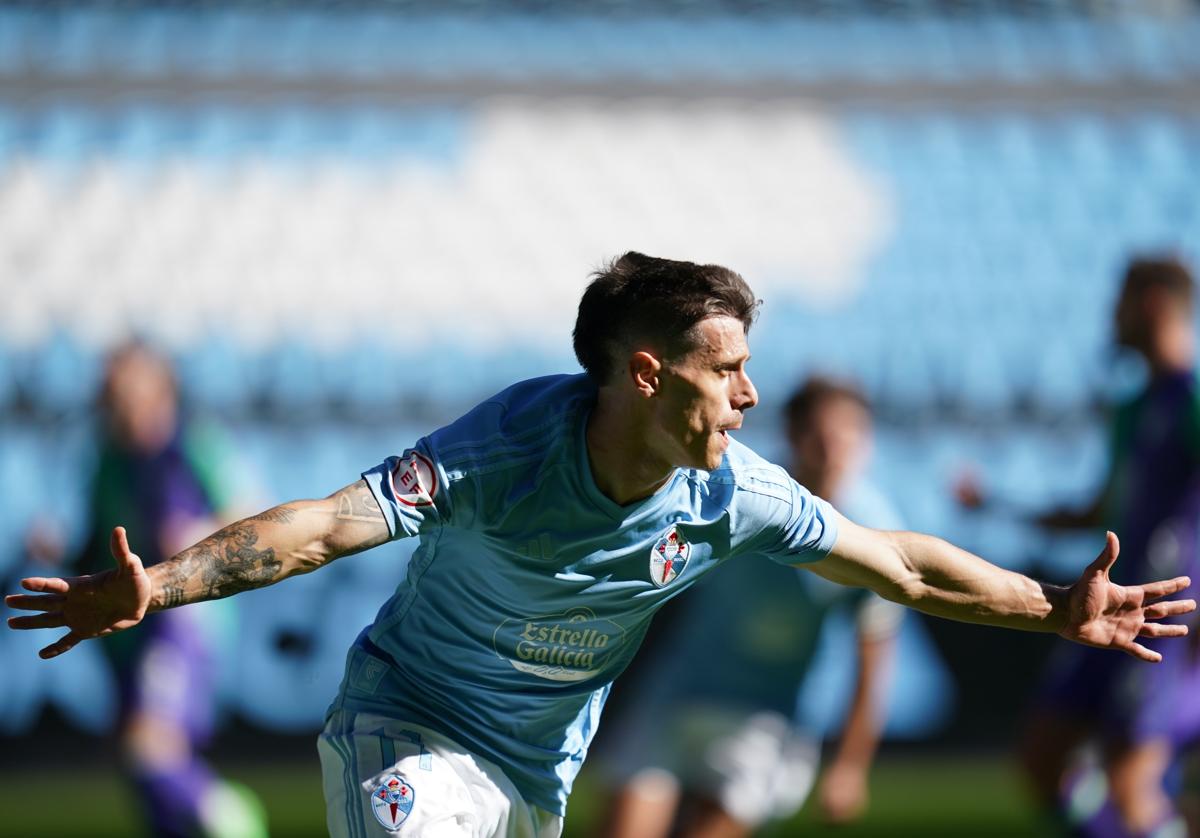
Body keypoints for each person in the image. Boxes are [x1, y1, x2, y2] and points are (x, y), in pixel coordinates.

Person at [6, 252, 1195, 838]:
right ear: (647, 373)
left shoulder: (730, 490)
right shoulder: (504, 453)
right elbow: (321, 525)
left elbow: (898, 562)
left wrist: (1052, 605)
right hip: (408, 726)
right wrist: (160, 583)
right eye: (727, 369)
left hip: (536, 776)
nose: (749, 392)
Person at [597, 376, 902, 838]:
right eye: (821, 436)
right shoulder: (737, 498)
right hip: (675, 697)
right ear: (794, 436)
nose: (835, 451)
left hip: (766, 721)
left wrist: (850, 768)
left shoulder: (873, 535)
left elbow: (873, 666)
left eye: (849, 437)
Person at [961, 257, 1200, 837]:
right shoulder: (1135, 409)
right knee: (1043, 759)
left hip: (1170, 616)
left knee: (1130, 782)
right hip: (1114, 609)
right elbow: (1103, 512)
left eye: (1119, 300)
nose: (1109, 317)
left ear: (1150, 305)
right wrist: (1000, 506)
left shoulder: (1192, 400)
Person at [75, 342, 266, 837]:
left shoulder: (192, 446)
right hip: (123, 629)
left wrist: (195, 531)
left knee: (149, 747)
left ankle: (227, 815)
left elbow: (256, 512)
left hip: (180, 623)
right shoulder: (108, 459)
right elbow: (95, 541)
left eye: (126, 391)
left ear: (160, 391)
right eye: (111, 394)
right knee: (136, 764)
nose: (117, 403)